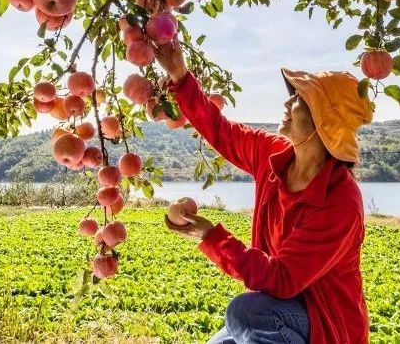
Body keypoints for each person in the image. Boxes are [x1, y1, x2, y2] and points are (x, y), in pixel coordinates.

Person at [154, 40, 373, 344]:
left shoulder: (340, 202)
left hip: (324, 323)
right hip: (279, 309)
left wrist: (211, 237)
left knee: (246, 313)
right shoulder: (274, 154)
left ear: (322, 121)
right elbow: (222, 132)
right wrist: (180, 75)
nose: (287, 103)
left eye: (299, 99)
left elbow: (282, 279)